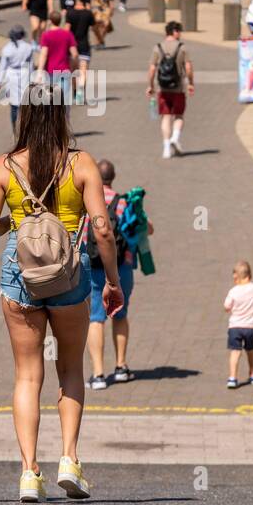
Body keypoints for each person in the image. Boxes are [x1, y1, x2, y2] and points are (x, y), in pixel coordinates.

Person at [0, 82, 124, 502]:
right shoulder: (81, 164)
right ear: (61, 115)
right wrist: (112, 282)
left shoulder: (3, 165)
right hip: (69, 274)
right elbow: (101, 228)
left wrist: (20, 220)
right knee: (71, 369)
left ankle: (28, 472)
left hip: (18, 273)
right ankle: (69, 460)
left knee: (26, 373)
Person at [87, 159, 152, 389]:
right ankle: (121, 366)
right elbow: (147, 228)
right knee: (120, 314)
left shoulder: (86, 202)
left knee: (96, 319)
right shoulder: (124, 202)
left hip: (94, 267)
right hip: (122, 266)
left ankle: (98, 375)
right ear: (113, 177)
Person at [146, 21, 194, 159]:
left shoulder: (157, 47)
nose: (180, 34)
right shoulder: (182, 47)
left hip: (162, 88)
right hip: (178, 88)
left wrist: (150, 86)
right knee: (179, 115)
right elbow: (189, 68)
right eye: (179, 31)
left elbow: (152, 69)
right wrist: (190, 83)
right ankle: (175, 137)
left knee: (165, 117)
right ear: (175, 32)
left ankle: (166, 148)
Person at [223, 260, 253, 389]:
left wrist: (229, 309)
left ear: (236, 277)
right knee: (250, 350)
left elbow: (227, 307)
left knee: (235, 352)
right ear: (250, 275)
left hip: (235, 327)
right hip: (251, 327)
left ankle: (232, 378)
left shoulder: (233, 291)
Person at [0, 25, 36, 131]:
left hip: (11, 76)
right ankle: (26, 128)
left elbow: (2, 67)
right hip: (25, 75)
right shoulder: (28, 47)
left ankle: (15, 128)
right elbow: (31, 65)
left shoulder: (7, 49)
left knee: (14, 105)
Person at [36, 9, 78, 108]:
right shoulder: (67, 34)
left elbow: (44, 54)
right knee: (64, 100)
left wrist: (39, 71)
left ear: (50, 21)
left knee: (52, 100)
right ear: (60, 21)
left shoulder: (46, 35)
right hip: (64, 70)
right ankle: (65, 120)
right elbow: (75, 54)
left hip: (50, 72)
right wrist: (72, 67)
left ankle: (53, 121)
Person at [65, 0, 94, 106]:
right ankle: (80, 93)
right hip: (84, 45)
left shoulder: (70, 13)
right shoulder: (88, 13)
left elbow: (67, 30)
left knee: (73, 72)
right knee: (83, 71)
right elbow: (94, 27)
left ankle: (75, 92)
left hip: (72, 46)